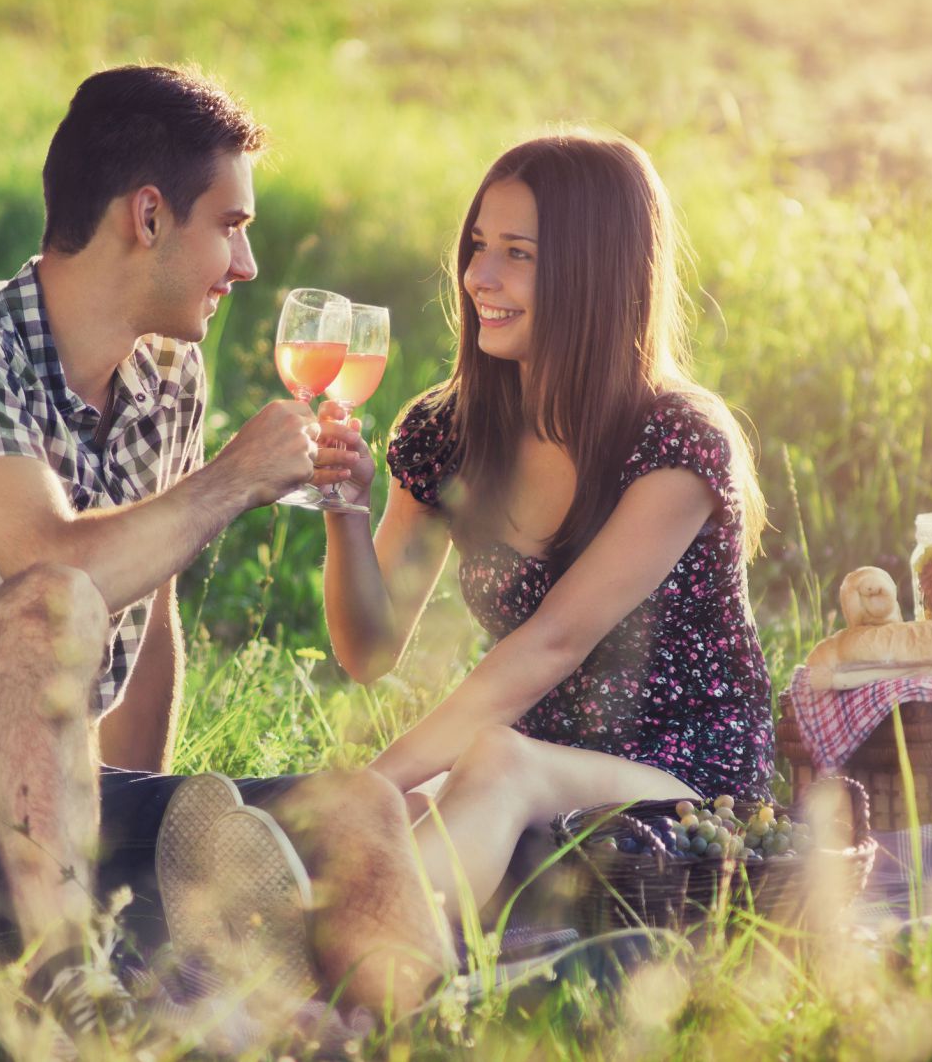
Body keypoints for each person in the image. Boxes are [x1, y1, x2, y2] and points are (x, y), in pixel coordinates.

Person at [0, 64, 445, 1045]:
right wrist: (234, 476)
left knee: (361, 807)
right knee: (54, 598)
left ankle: (402, 1033)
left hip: (46, 825)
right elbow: (50, 567)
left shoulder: (170, 372)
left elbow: (151, 614)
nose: (246, 263)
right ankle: (76, 991)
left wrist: (155, 823)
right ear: (148, 216)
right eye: (231, 225)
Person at [319, 131, 775, 922]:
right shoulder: (448, 432)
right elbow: (368, 653)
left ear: (593, 271)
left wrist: (373, 782)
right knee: (417, 807)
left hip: (690, 792)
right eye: (478, 245)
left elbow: (552, 644)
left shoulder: (676, 441)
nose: (479, 277)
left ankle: (375, 951)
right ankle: (276, 950)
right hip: (538, 773)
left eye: (518, 254)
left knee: (478, 768)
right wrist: (346, 513)